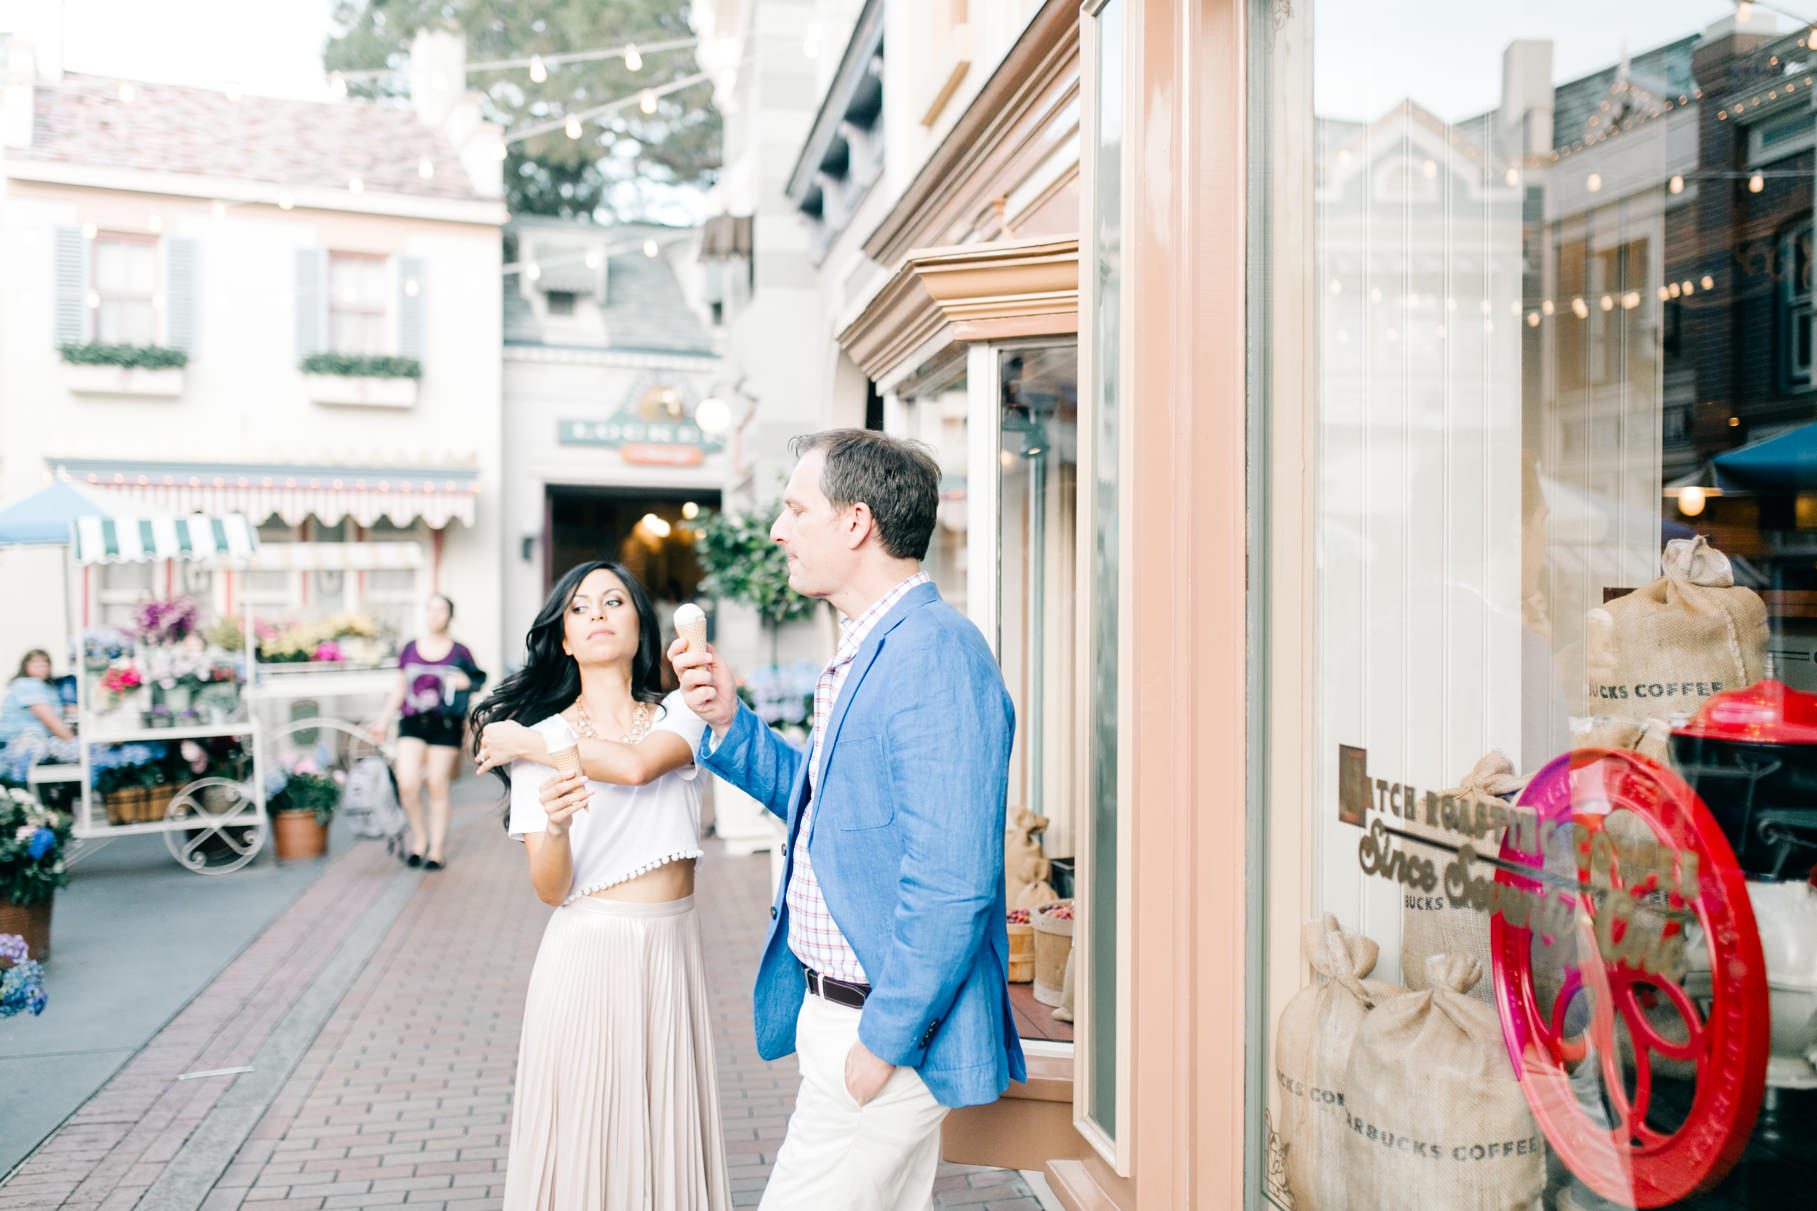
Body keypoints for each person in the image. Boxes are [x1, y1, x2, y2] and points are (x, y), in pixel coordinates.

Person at [670, 429, 1023, 1211]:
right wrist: (732, 722)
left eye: (796, 508)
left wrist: (883, 1040)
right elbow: (834, 811)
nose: (777, 529)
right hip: (843, 1020)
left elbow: (953, 878)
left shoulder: (933, 652)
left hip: (880, 1032)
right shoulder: (872, 646)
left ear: (856, 521)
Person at [471, 561, 730, 1211]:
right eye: (580, 608)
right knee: (590, 1129)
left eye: (613, 601)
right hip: (587, 951)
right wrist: (554, 824)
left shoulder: (679, 713)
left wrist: (535, 744)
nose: (597, 614)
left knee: (665, 1125)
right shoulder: (544, 736)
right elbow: (549, 888)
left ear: (638, 622)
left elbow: (641, 767)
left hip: (669, 950)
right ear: (562, 637)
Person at [366, 594, 485, 870]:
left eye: (441, 610)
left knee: (436, 784)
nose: (435, 615)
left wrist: (464, 681)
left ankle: (436, 850)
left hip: (444, 725)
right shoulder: (409, 648)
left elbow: (477, 679)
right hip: (412, 722)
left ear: (450, 615)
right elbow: (399, 687)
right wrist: (383, 721)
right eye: (430, 610)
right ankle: (419, 839)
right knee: (407, 782)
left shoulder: (460, 652)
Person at [0, 649, 80, 780]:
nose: (42, 667)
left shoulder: (44, 687)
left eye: (45, 664)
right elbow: (50, 720)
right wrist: (74, 744)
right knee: (80, 754)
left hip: (34, 742)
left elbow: (61, 711)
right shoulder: (28, 684)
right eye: (36, 663)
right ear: (25, 666)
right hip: (19, 745)